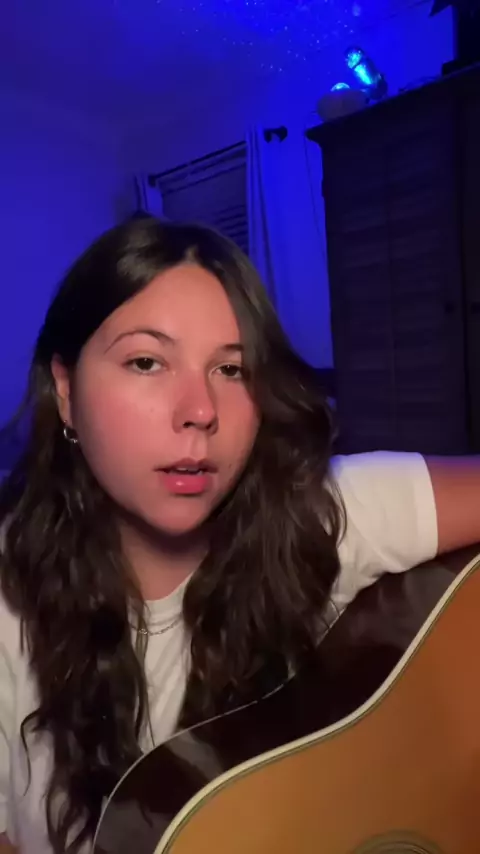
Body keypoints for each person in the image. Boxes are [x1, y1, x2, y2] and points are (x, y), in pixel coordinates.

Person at [0, 219, 480, 854]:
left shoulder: (317, 516)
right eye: (146, 362)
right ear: (65, 391)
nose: (200, 410)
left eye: (231, 369)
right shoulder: (9, 601)